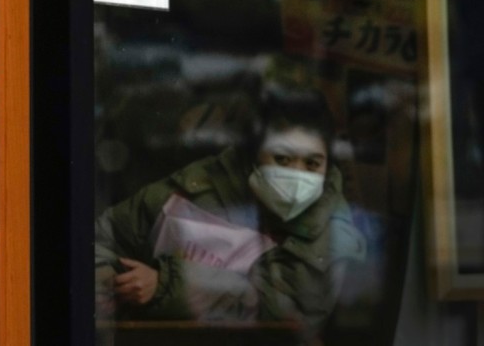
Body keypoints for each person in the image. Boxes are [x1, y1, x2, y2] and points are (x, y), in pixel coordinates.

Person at [95, 86, 366, 339]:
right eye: (282, 159)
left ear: (327, 166)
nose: (296, 176)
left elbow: (281, 315)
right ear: (254, 154)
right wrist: (107, 285)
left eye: (312, 163)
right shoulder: (202, 185)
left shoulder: (331, 229)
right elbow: (105, 237)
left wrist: (165, 284)